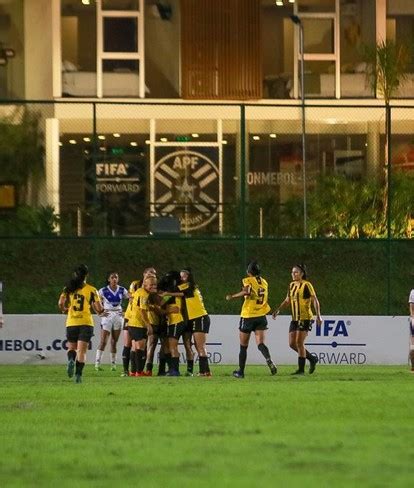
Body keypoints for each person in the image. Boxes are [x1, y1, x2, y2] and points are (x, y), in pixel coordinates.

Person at [226, 261, 277, 379]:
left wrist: (232, 296)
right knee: (260, 343)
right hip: (261, 316)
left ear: (249, 272)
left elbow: (247, 292)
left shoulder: (248, 280)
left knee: (243, 346)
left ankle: (241, 372)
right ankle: (269, 360)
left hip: (248, 316)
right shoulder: (264, 282)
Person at [272, 264, 322, 375]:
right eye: (292, 272)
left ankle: (301, 370)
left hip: (305, 318)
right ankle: (312, 359)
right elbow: (287, 300)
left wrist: (318, 315)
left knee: (299, 343)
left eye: (296, 272)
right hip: (294, 319)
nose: (293, 274)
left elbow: (315, 300)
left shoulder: (307, 285)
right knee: (292, 344)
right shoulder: (291, 285)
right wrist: (278, 310)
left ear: (302, 274)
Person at [58, 264, 103, 383]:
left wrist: (65, 309)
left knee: (71, 348)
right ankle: (78, 375)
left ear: (75, 274)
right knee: (82, 352)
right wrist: (102, 311)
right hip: (86, 323)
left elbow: (60, 303)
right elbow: (98, 308)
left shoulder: (68, 288)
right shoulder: (92, 290)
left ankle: (71, 360)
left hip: (72, 322)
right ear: (87, 275)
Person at [121, 267, 156, 377]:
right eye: (150, 274)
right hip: (136, 321)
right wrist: (148, 324)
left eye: (154, 275)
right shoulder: (139, 288)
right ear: (144, 275)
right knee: (136, 346)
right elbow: (141, 308)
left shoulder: (143, 291)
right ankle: (136, 371)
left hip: (133, 321)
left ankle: (134, 371)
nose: (152, 277)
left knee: (136, 347)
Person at [95, 272, 129, 371]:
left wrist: (126, 312)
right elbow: (94, 302)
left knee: (114, 341)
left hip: (118, 315)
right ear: (109, 279)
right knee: (103, 341)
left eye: (116, 277)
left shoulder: (122, 290)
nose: (114, 279)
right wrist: (98, 313)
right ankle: (97, 364)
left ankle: (113, 365)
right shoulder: (102, 291)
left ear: (118, 279)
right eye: (112, 277)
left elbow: (132, 300)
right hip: (107, 315)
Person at [409, 288, 414, 372]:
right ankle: (413, 366)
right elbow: (411, 308)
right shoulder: (413, 292)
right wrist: (413, 317)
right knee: (413, 347)